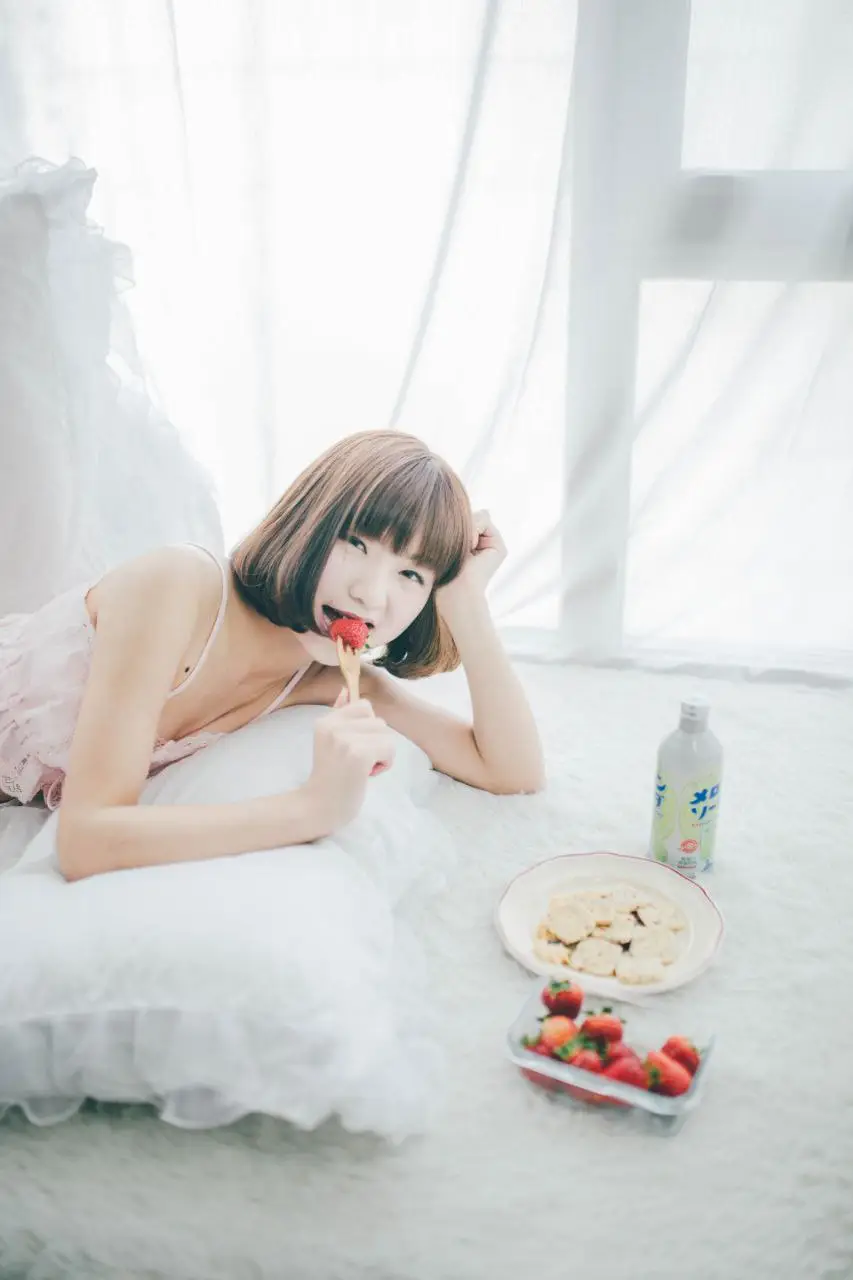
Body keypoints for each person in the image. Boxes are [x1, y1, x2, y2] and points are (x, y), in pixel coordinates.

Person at [0, 430, 545, 881]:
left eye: (411, 574)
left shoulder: (325, 677)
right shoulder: (177, 587)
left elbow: (511, 770)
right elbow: (86, 841)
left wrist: (467, 604)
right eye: (356, 543)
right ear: (310, 521)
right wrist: (313, 808)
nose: (371, 595)